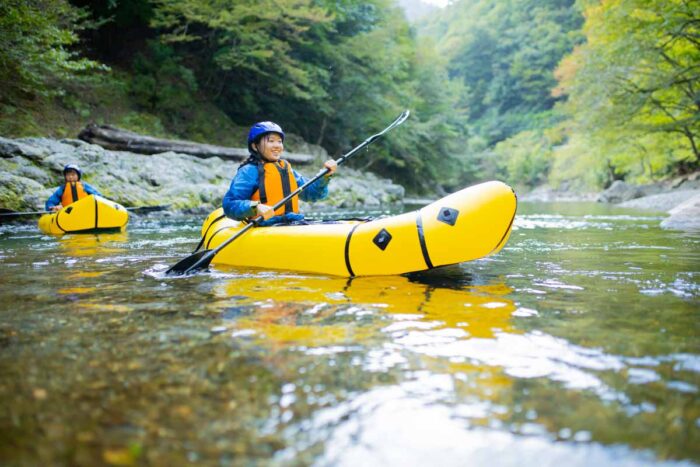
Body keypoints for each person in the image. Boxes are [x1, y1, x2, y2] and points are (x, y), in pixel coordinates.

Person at [223, 121, 337, 226]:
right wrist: (255, 207)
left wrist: (325, 176)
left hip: (292, 223)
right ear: (255, 146)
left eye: (279, 141)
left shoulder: (284, 168)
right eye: (271, 141)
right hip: (264, 227)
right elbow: (229, 205)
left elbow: (312, 193)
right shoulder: (249, 171)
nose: (277, 145)